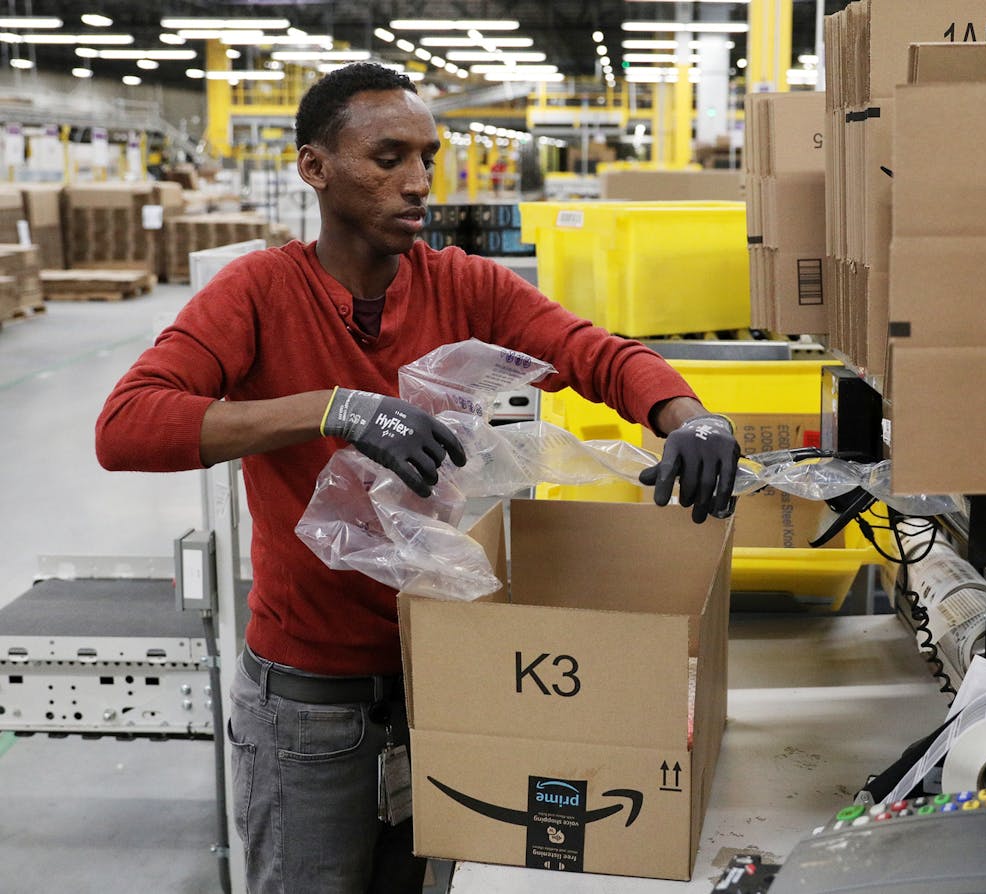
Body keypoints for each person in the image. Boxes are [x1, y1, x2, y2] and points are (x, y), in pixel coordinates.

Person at [95, 62, 739, 894]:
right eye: (388, 157)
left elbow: (593, 352)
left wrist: (687, 415)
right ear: (314, 167)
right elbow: (127, 426)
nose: (418, 182)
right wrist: (334, 409)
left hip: (438, 679)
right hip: (309, 704)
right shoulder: (257, 292)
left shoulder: (462, 285)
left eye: (427, 158)